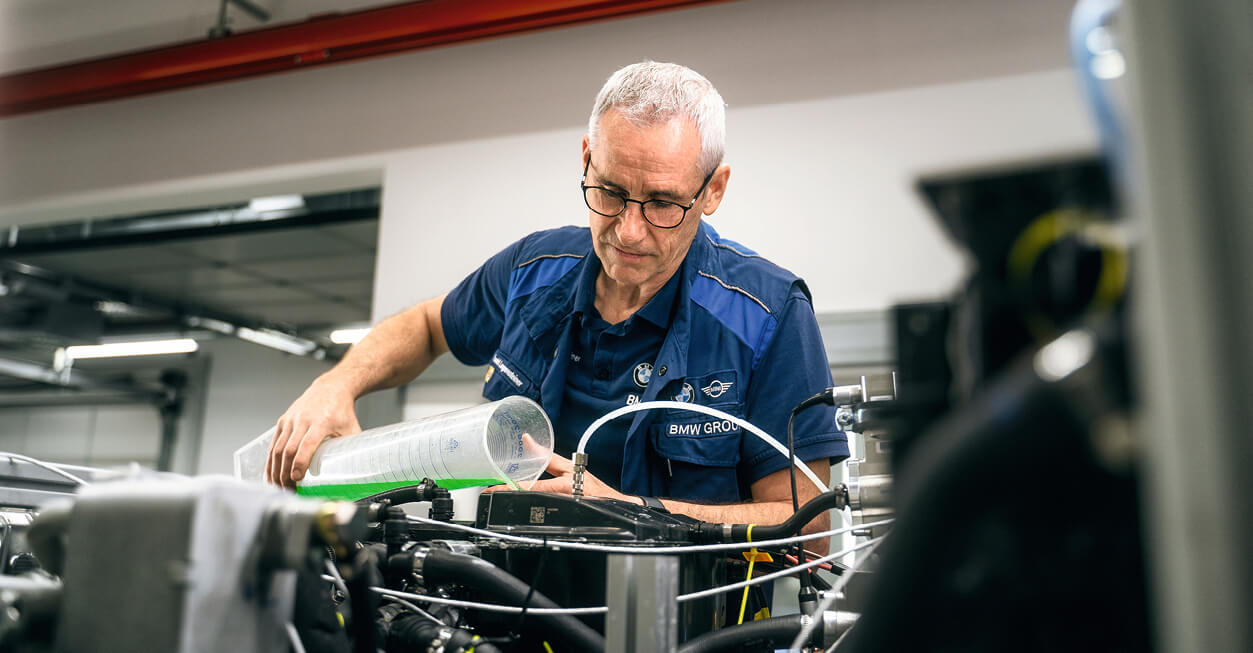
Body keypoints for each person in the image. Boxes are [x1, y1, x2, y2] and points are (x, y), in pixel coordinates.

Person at [267, 61, 848, 538]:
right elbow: (425, 326)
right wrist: (336, 385)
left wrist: (626, 512)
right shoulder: (533, 271)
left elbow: (807, 528)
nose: (628, 231)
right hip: (504, 604)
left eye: (662, 203)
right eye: (610, 192)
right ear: (586, 158)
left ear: (713, 189)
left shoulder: (768, 315)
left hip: (678, 620)